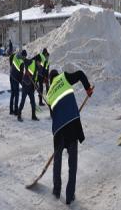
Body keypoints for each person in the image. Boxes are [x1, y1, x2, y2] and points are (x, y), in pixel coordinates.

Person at [47, 69, 93, 205]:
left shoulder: (49, 93)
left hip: (58, 130)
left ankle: (56, 190)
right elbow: (79, 74)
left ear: (50, 81)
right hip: (71, 125)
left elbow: (53, 115)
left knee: (57, 160)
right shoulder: (64, 77)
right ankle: (69, 195)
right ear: (57, 76)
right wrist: (88, 88)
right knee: (72, 163)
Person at [17, 54, 41, 122]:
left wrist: (36, 86)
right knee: (23, 101)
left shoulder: (37, 68)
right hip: (25, 84)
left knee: (33, 102)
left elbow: (35, 78)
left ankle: (33, 116)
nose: (40, 64)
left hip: (30, 87)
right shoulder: (31, 62)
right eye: (39, 62)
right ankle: (19, 115)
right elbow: (25, 60)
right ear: (37, 61)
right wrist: (20, 57)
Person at [9, 50, 26, 115]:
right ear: (23, 56)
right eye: (25, 57)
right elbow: (21, 75)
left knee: (13, 94)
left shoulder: (15, 56)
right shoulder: (22, 62)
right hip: (15, 79)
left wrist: (11, 66)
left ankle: (11, 110)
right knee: (17, 95)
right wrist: (22, 83)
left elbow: (11, 57)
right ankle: (16, 110)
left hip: (11, 77)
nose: (24, 58)